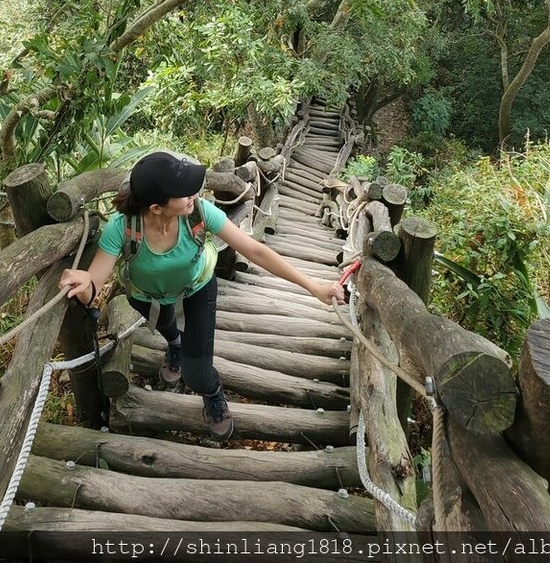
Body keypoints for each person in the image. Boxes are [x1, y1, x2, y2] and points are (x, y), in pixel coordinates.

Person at [59, 150, 346, 442]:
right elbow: (92, 286)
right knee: (170, 332)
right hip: (147, 297)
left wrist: (313, 286)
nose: (194, 194)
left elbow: (255, 250)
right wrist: (83, 282)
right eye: (183, 193)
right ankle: (174, 346)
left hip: (197, 289)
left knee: (196, 373)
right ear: (156, 208)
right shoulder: (122, 228)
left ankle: (212, 392)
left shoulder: (198, 212)